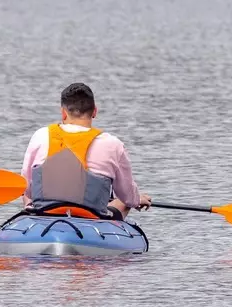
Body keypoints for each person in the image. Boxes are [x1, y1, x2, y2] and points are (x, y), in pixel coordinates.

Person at [20, 82, 150, 217]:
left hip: (45, 212)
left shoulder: (41, 135)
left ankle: (32, 218)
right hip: (90, 217)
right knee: (124, 202)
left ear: (63, 113)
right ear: (94, 111)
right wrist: (137, 200)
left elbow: (27, 188)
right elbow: (127, 195)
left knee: (27, 196)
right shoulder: (113, 144)